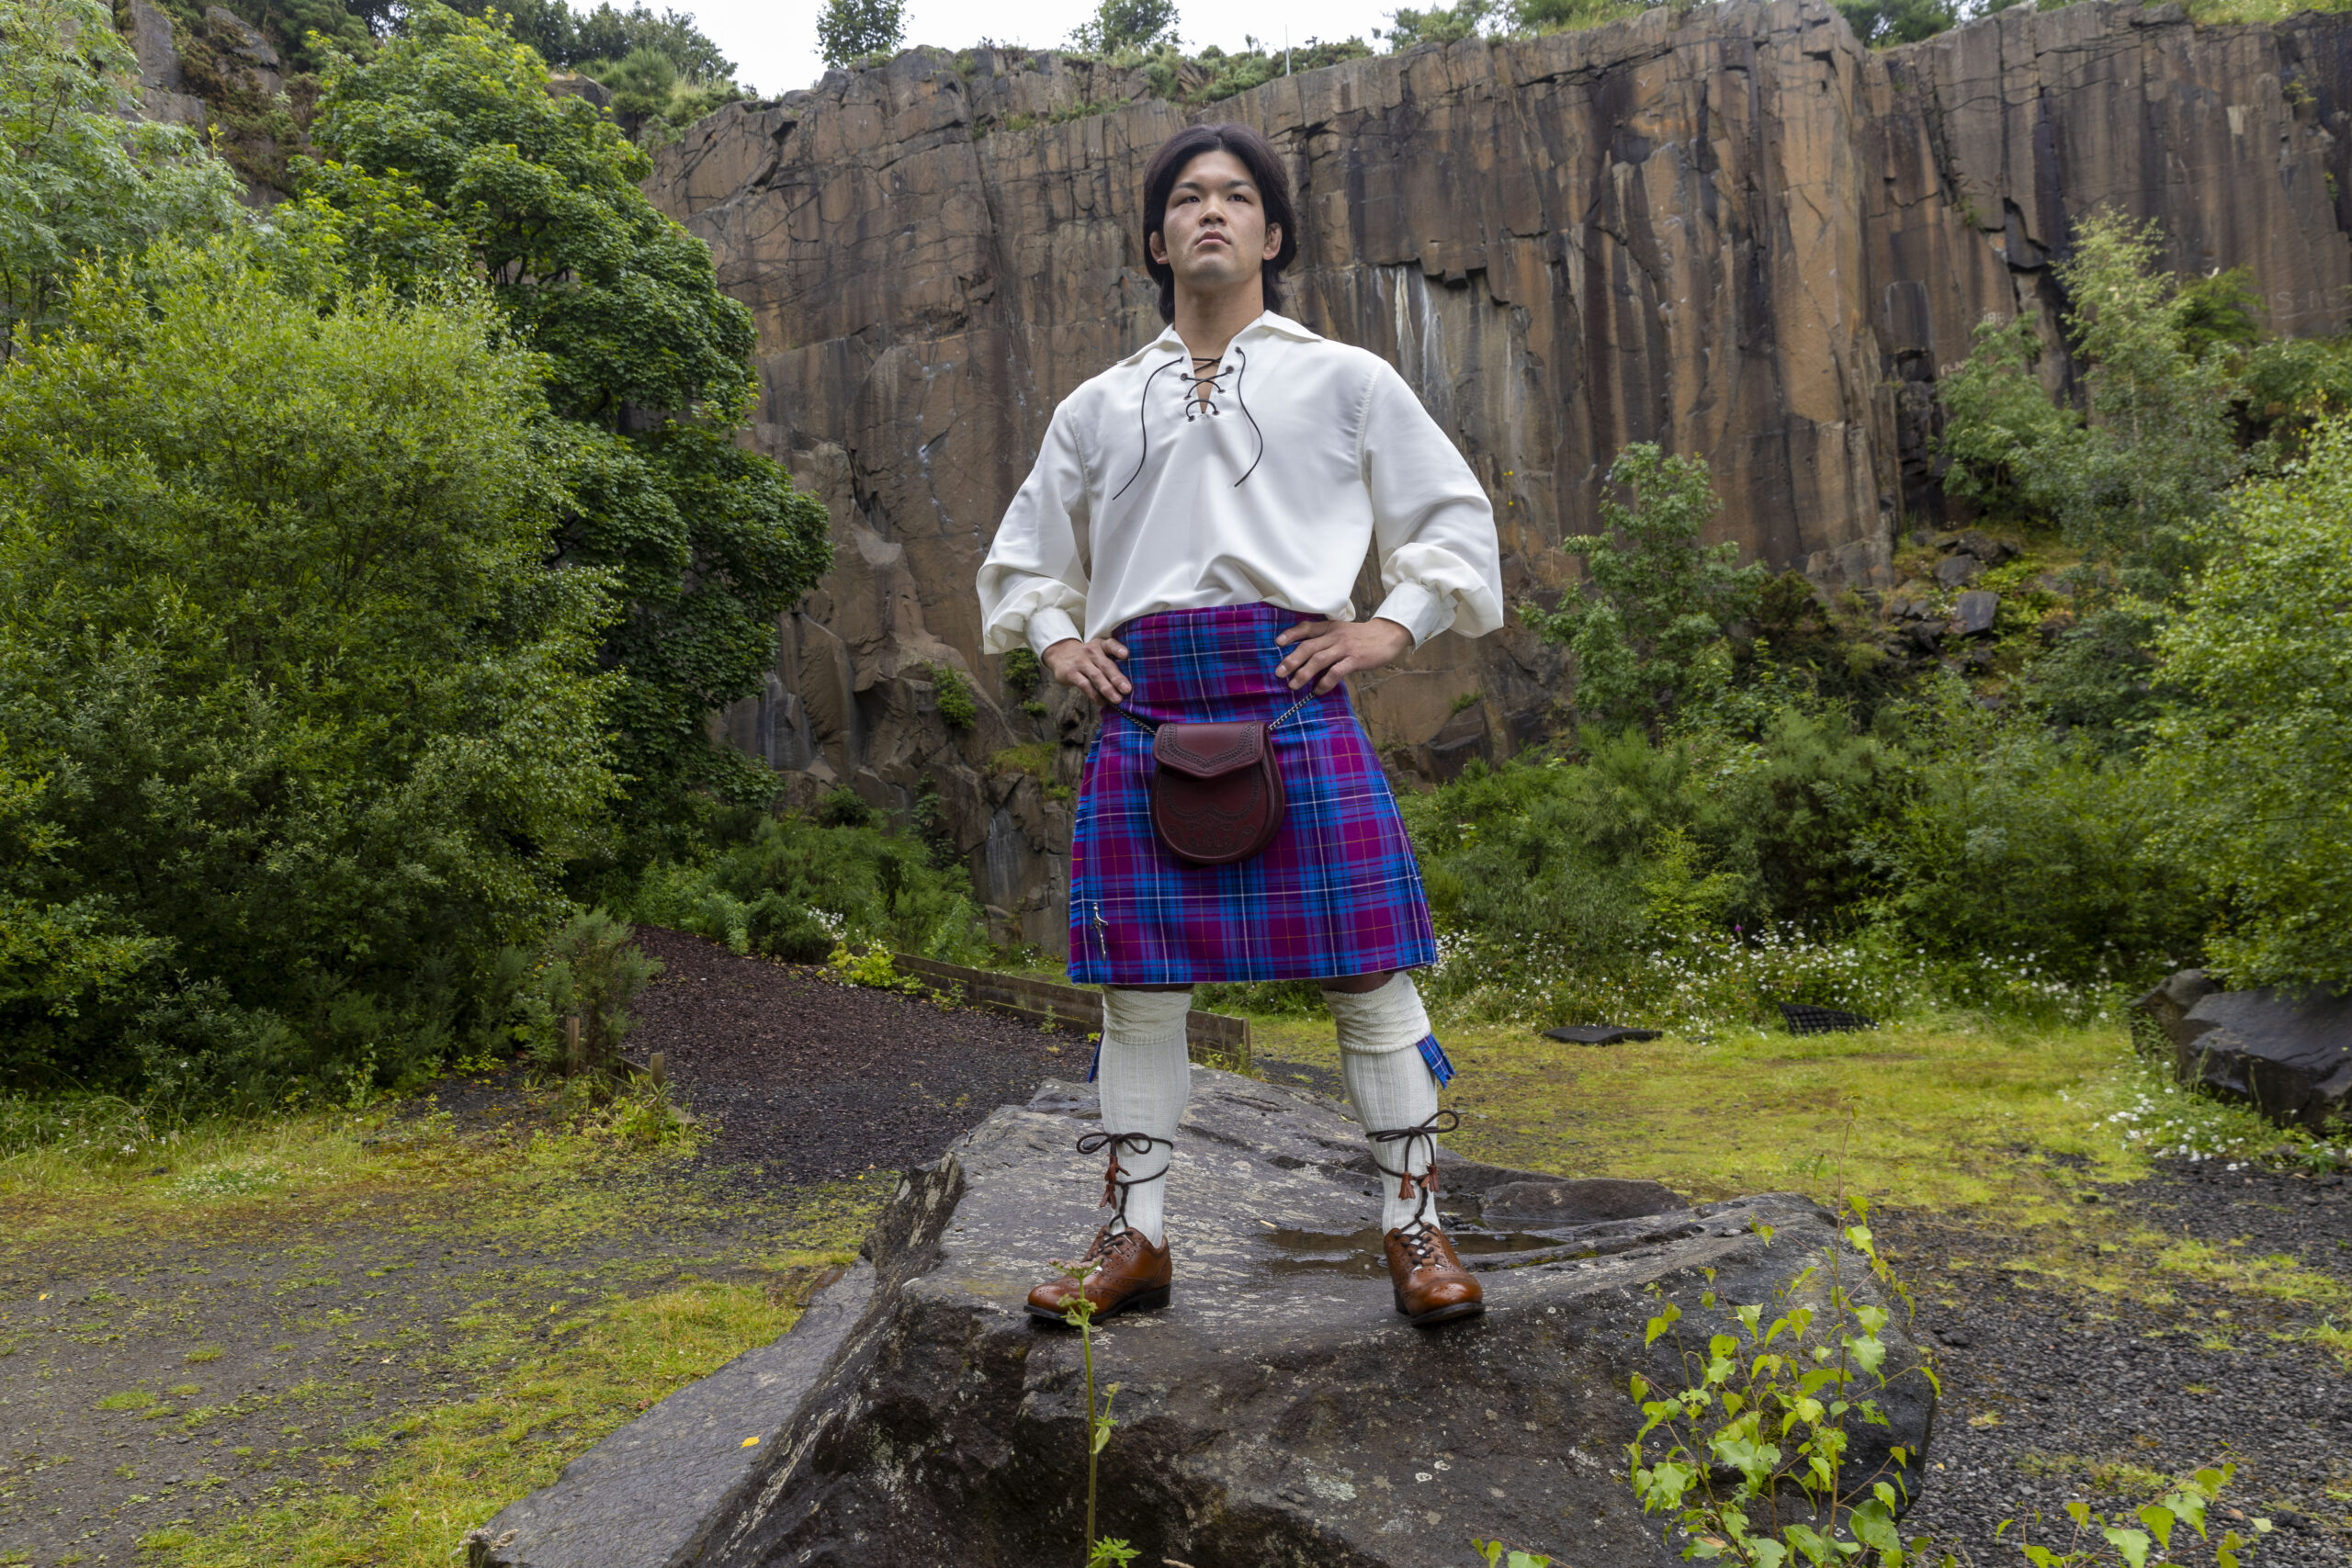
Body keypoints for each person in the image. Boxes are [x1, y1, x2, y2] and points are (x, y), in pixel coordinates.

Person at [975, 121, 1505, 1329]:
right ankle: (1136, 1240)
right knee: (1140, 990)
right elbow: (1022, 561)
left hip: (1290, 684)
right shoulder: (1097, 406)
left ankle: (1415, 1230)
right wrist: (1056, 635)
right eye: (1186, 199)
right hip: (1147, 692)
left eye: (1236, 197)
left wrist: (1395, 624)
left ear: (1273, 233)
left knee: (1370, 972)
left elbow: (1452, 523)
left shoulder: (1347, 379)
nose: (1210, 212)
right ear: (1155, 239)